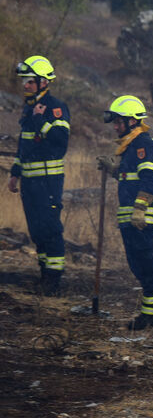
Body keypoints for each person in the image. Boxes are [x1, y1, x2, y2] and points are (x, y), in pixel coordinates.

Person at [97, 96, 153, 330]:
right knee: (143, 264)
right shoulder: (131, 146)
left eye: (119, 121)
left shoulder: (143, 144)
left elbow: (149, 178)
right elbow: (132, 179)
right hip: (132, 217)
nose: (115, 126)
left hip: (141, 218)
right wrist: (115, 170)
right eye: (114, 121)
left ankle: (152, 314)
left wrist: (140, 209)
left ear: (133, 121)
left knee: (144, 264)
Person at [8, 56, 70, 295]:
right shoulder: (29, 108)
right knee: (36, 230)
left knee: (50, 228)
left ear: (44, 82)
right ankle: (44, 273)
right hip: (29, 182)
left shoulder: (55, 108)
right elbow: (24, 146)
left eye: (30, 81)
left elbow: (61, 142)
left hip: (48, 182)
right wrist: (15, 173)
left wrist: (41, 121)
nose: (25, 85)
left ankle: (54, 280)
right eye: (24, 81)